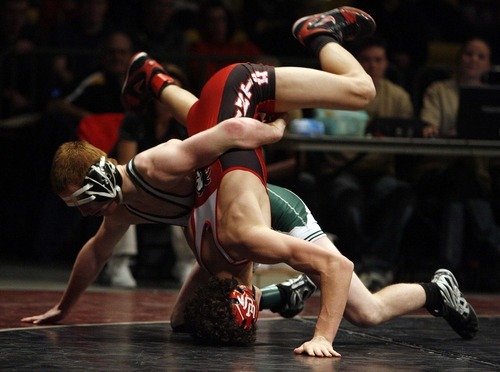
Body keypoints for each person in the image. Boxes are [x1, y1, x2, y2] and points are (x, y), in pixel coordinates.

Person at [121, 6, 476, 357]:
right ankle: (153, 78)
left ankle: (319, 33)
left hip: (246, 102)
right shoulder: (208, 257)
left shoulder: (244, 239)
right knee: (364, 311)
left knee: (363, 91)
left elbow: (339, 266)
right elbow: (179, 320)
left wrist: (323, 337)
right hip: (223, 119)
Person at [319, 36, 416, 292]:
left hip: (381, 173)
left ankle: (377, 266)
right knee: (349, 199)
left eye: (378, 60)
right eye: (366, 60)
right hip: (342, 171)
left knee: (401, 195)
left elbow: (406, 138)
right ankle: (359, 264)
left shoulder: (399, 97)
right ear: (356, 62)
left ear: (386, 64)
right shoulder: (335, 91)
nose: (372, 66)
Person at [414, 37, 500, 283]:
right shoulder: (438, 90)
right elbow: (428, 128)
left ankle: (448, 271)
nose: (473, 59)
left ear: (488, 65)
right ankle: (491, 240)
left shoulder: (494, 97)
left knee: (458, 195)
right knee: (457, 179)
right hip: (438, 169)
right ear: (459, 58)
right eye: (469, 54)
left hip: (479, 174)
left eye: (480, 56)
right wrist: (441, 132)